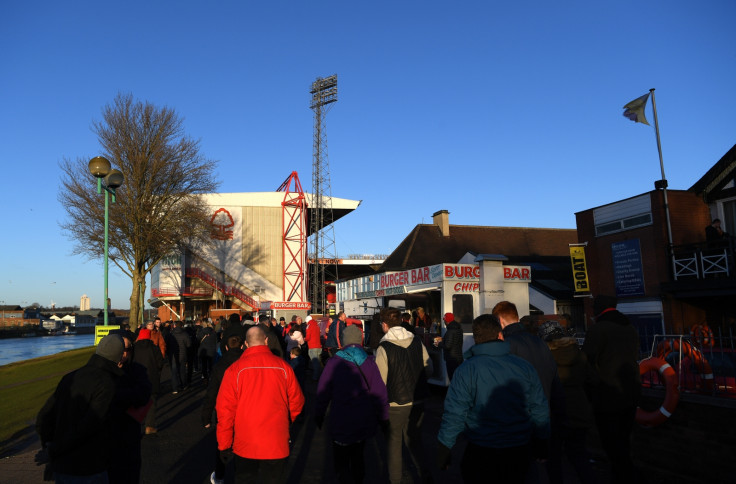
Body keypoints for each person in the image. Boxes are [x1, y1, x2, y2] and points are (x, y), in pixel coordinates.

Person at [437, 314, 550, 484]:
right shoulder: (524, 366)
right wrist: (542, 442)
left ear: (476, 339)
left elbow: (455, 414)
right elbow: (539, 409)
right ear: (500, 335)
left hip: (481, 450)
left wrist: (444, 449)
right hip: (519, 449)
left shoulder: (466, 369)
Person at [216, 326, 305, 483]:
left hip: (245, 441)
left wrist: (224, 444)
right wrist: (286, 421)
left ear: (246, 344)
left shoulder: (234, 370)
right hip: (276, 441)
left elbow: (225, 410)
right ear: (266, 340)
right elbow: (297, 401)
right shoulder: (284, 368)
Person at [36, 334, 126, 482]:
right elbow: (90, 426)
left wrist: (49, 448)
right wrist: (52, 451)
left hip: (63, 465)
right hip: (90, 465)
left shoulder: (69, 378)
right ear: (119, 356)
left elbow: (44, 417)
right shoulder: (107, 383)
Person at [492, 301, 565, 482]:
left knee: (524, 471)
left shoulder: (506, 346)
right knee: (553, 468)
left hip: (520, 419)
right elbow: (555, 381)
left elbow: (503, 387)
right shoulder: (540, 343)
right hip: (547, 414)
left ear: (500, 321)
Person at [315, 325, 389, 484]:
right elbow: (380, 392)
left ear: (343, 341)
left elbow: (323, 392)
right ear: (360, 340)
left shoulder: (334, 362)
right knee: (358, 456)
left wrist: (319, 413)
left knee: (341, 461)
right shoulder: (369, 361)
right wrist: (384, 418)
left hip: (340, 419)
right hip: (363, 419)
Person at [582, 295, 641, 483]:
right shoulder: (629, 328)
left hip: (606, 395)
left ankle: (624, 476)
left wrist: (592, 388)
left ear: (598, 308)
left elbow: (586, 363)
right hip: (630, 392)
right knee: (624, 441)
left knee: (611, 443)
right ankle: (624, 475)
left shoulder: (598, 330)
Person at [375, 308, 433, 484]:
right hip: (418, 399)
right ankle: (426, 475)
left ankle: (396, 480)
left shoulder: (384, 346)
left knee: (394, 445)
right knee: (415, 440)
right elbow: (429, 369)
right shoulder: (416, 341)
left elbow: (381, 381)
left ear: (384, 325)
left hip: (396, 403)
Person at [538, 320, 598, 484]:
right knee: (579, 456)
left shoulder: (545, 358)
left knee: (554, 459)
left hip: (555, 412)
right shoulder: (579, 355)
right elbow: (592, 382)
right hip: (579, 410)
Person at [201, 324, 246, 484]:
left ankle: (220, 475)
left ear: (226, 347)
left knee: (223, 443)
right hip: (244, 410)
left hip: (224, 410)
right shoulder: (247, 364)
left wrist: (206, 416)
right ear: (243, 345)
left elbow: (212, 392)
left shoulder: (220, 366)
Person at [108, 332, 153, 484]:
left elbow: (144, 393)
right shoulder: (99, 373)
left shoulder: (137, 371)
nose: (123, 354)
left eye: (127, 349)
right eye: (119, 349)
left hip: (129, 437)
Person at [133, 328, 164, 435]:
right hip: (151, 377)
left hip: (136, 377)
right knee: (151, 402)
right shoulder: (153, 348)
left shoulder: (134, 348)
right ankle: (149, 426)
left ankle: (136, 424)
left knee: (136, 402)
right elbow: (160, 362)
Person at [167, 320, 192, 394]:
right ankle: (183, 385)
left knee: (174, 372)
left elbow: (167, 344)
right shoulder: (185, 334)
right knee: (182, 371)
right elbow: (188, 345)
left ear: (175, 325)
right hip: (183, 354)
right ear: (182, 326)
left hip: (174, 355)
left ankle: (175, 388)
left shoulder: (171, 334)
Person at [438, 312, 463, 380]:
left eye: (444, 320)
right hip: (458, 357)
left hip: (451, 359)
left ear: (447, 321)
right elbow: (454, 341)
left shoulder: (450, 330)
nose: (444, 321)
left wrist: (438, 344)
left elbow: (447, 346)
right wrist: (443, 339)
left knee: (452, 379)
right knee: (458, 379)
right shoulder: (458, 329)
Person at [305, 315, 323, 381]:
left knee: (315, 363)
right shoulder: (317, 325)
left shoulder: (309, 326)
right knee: (319, 363)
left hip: (312, 346)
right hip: (318, 346)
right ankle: (321, 376)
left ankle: (315, 377)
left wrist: (304, 339)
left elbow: (308, 337)